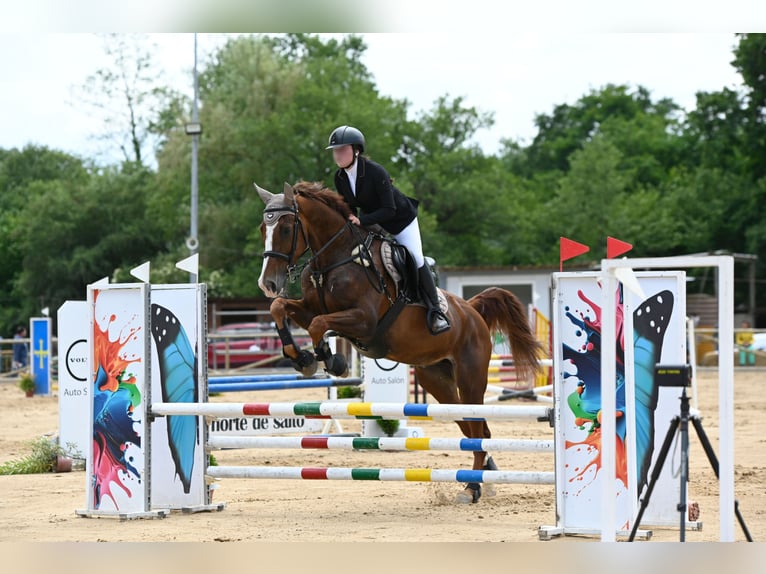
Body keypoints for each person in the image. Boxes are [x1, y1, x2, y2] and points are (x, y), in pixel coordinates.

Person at [326, 125, 450, 335]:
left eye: (342, 149)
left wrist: (360, 220)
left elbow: (389, 209)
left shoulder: (375, 171)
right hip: (372, 221)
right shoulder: (340, 177)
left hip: (400, 219)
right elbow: (349, 207)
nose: (338, 154)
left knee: (415, 258)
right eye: (335, 151)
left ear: (356, 150)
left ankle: (436, 311)